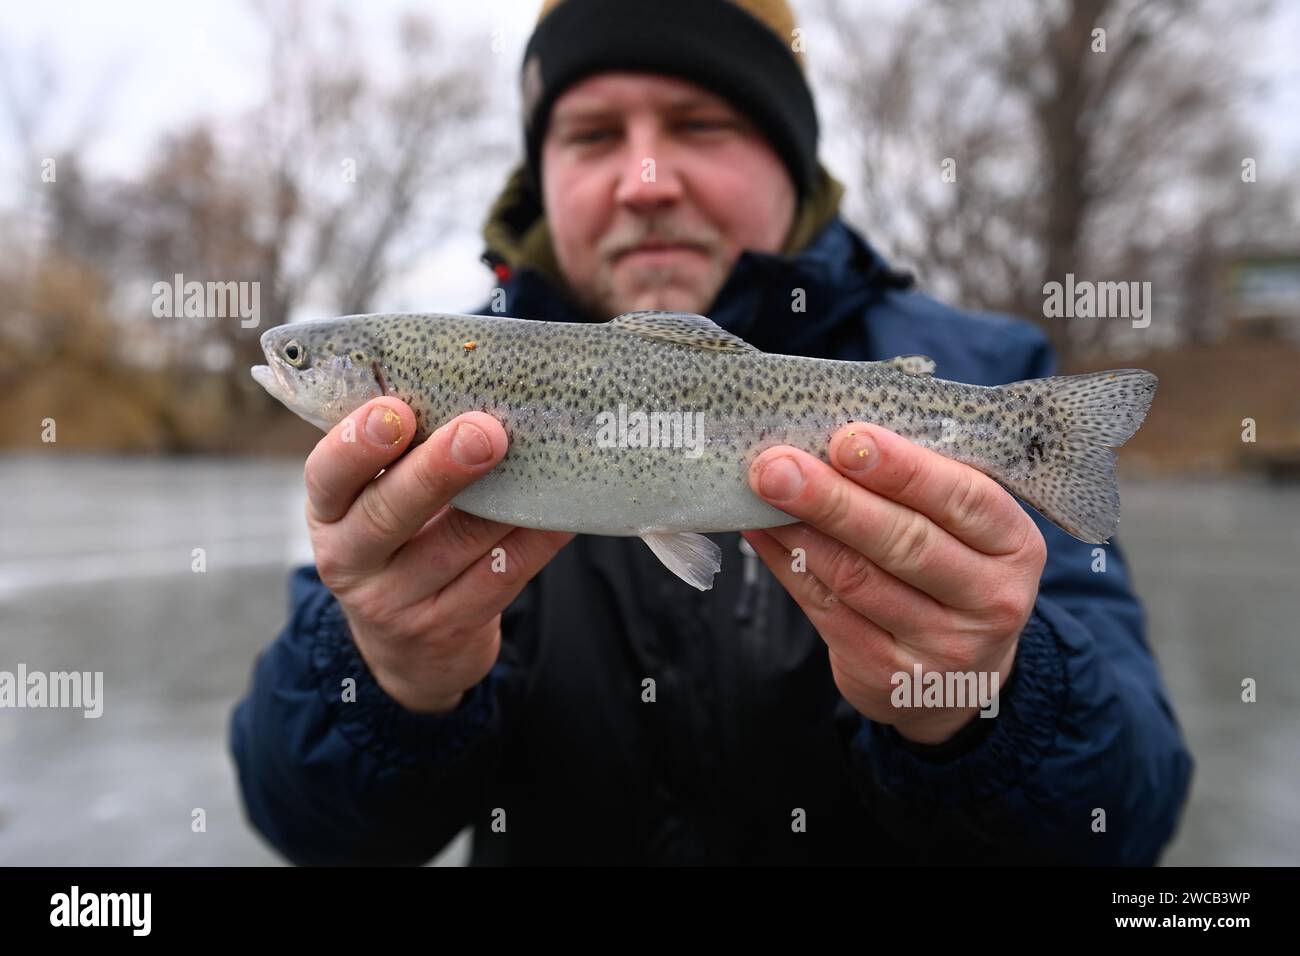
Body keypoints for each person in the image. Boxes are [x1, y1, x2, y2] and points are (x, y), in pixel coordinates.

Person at [230, 0, 1193, 865]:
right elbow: (306, 828)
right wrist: (391, 671)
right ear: (543, 172)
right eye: (595, 134)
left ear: (791, 155)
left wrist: (983, 701)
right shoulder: (413, 424)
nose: (646, 180)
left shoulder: (990, 376)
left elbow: (1130, 824)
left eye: (701, 124)